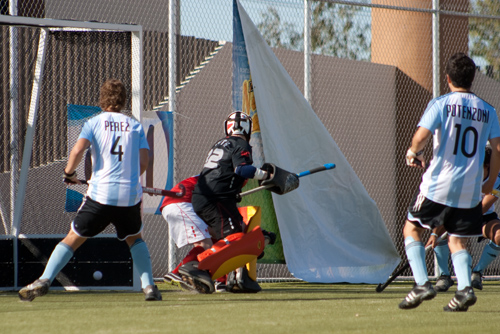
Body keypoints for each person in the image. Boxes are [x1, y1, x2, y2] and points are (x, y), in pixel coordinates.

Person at [18, 79, 162, 302]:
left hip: (100, 194)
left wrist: (68, 173)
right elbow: (145, 161)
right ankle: (150, 287)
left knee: (73, 237)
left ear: (102, 100)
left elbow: (77, 150)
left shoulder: (94, 122)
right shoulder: (134, 125)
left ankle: (45, 279)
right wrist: (131, 178)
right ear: (123, 101)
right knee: (135, 238)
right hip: (129, 195)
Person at [399, 52, 500, 312]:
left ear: (448, 78)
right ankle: (464, 289)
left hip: (438, 184)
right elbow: (498, 150)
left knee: (411, 229)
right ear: (472, 79)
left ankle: (422, 283)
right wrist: (489, 182)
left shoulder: (441, 103)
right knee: (458, 240)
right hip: (470, 188)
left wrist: (412, 152)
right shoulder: (488, 110)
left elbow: (420, 137)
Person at [178, 111, 273, 293]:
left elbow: (224, 173)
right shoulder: (241, 144)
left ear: (228, 127)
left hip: (205, 197)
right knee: (236, 238)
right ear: (247, 128)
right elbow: (242, 170)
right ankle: (196, 266)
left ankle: (231, 278)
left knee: (233, 234)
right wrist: (266, 175)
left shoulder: (220, 143)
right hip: (217, 199)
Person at [428, 146, 500, 292]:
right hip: (457, 212)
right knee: (437, 231)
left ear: (487, 166)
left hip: (482, 217)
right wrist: (435, 233)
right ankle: (444, 276)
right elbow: (446, 204)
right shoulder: (462, 175)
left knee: (499, 235)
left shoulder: (496, 178)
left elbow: (483, 207)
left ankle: (477, 272)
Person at [159, 175, 216, 290]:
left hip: (180, 204)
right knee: (206, 245)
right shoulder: (219, 178)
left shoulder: (212, 175)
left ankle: (198, 279)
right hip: (181, 203)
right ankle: (176, 273)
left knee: (209, 241)